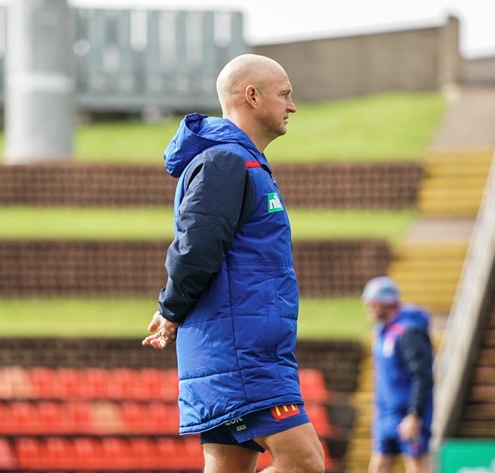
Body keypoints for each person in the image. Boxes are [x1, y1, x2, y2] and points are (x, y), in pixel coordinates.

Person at [141, 54, 324, 473]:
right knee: (305, 464)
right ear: (252, 96)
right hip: (242, 357)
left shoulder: (241, 162)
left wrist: (172, 310)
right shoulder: (226, 162)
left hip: (235, 352)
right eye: (285, 94)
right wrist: (171, 309)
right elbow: (195, 248)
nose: (293, 106)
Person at [361, 276, 434, 473]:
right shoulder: (383, 331)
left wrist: (415, 414)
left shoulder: (409, 332)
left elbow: (422, 376)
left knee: (416, 466)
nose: (368, 308)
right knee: (378, 466)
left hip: (407, 415)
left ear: (385, 304)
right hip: (386, 416)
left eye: (372, 303)